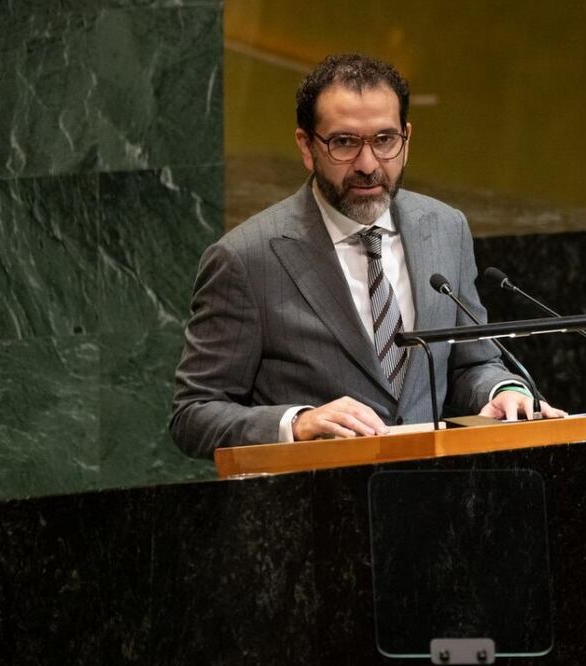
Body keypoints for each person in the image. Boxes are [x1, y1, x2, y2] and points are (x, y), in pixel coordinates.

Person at [171, 53, 563, 459]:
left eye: (384, 140)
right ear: (306, 146)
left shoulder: (446, 228)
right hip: (318, 493)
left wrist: (503, 390)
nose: (368, 164)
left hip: (436, 488)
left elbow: (471, 363)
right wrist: (296, 423)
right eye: (344, 142)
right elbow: (193, 413)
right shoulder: (246, 258)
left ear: (406, 139)